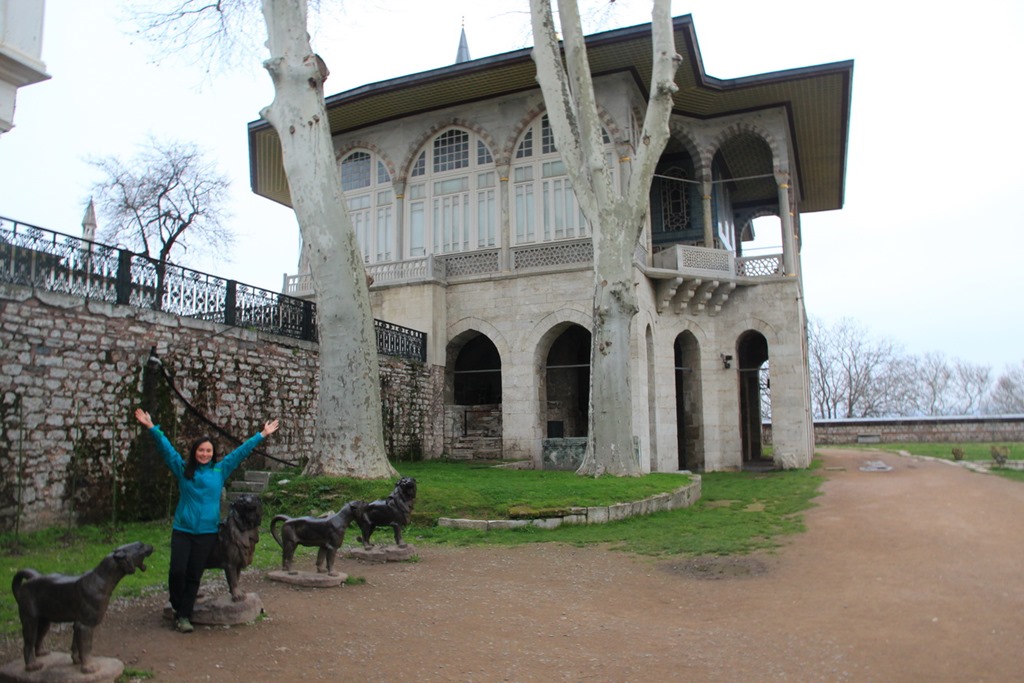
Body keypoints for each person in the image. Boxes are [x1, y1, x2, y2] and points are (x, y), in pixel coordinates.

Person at [134, 408, 280, 633]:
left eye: (208, 451)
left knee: (194, 574)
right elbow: (167, 450)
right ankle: (177, 604)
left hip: (206, 532)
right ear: (195, 452)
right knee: (177, 572)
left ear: (213, 454)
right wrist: (152, 427)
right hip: (183, 530)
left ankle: (184, 616)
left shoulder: (220, 471)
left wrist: (262, 434)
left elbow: (240, 453)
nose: (204, 454)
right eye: (201, 450)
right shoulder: (183, 470)